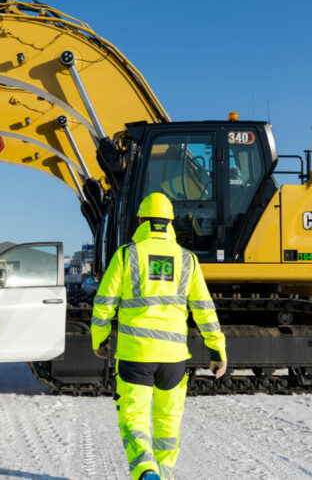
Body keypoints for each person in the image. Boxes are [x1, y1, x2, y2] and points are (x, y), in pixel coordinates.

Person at [92, 193, 227, 480]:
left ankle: (146, 471)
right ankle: (163, 476)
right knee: (167, 424)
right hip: (174, 360)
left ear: (141, 221)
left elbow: (103, 304)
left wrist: (99, 340)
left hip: (135, 356)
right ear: (170, 223)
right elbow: (204, 308)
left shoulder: (126, 254)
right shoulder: (187, 259)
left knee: (134, 420)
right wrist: (217, 350)